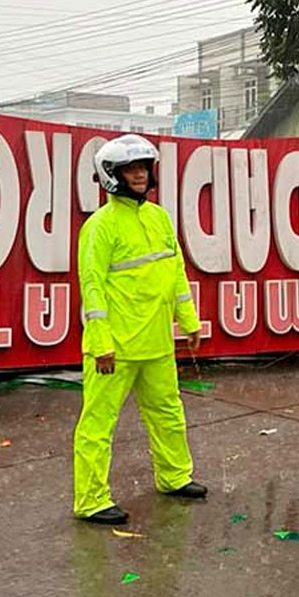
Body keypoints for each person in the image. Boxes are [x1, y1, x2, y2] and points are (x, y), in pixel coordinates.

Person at [72, 134, 207, 526]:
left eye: (143, 168)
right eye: (131, 169)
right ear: (111, 175)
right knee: (97, 425)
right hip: (115, 346)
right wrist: (100, 342)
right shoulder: (100, 226)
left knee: (168, 413)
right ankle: (91, 500)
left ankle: (175, 476)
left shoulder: (159, 218)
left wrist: (190, 320)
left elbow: (175, 269)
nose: (139, 175)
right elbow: (92, 285)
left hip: (157, 341)